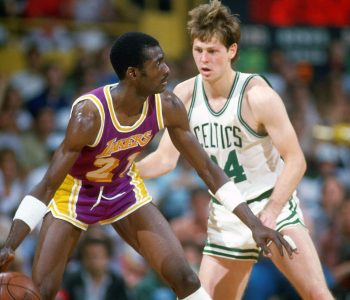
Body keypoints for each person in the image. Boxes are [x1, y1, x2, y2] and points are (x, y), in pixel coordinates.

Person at [0, 31, 293, 300]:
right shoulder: (89, 115)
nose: (167, 70)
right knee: (41, 291)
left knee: (185, 278)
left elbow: (206, 167)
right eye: (158, 63)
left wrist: (253, 223)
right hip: (75, 194)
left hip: (122, 189)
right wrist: (12, 242)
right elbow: (48, 184)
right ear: (133, 73)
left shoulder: (168, 105)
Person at [136, 2, 334, 299]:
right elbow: (165, 159)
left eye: (212, 51)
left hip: (272, 206)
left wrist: (272, 210)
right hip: (227, 214)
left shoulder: (258, 96)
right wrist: (124, 169)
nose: (204, 58)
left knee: (317, 295)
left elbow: (296, 161)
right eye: (198, 49)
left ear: (232, 51)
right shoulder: (184, 94)